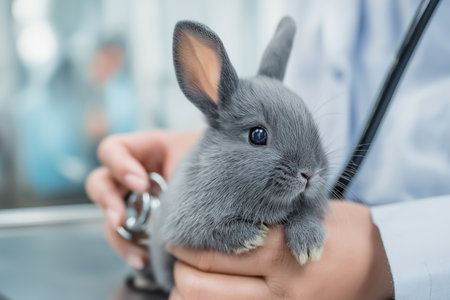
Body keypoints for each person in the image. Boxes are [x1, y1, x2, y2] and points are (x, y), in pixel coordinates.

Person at [86, 1, 450, 299]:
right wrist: (228, 230)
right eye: (259, 135)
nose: (307, 170)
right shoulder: (208, 173)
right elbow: (182, 228)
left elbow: (310, 177)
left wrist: (382, 254)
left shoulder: (306, 175)